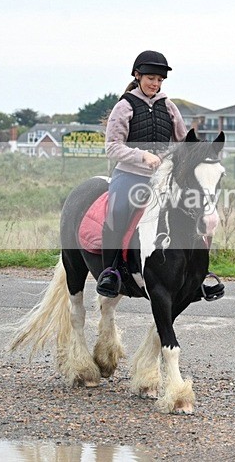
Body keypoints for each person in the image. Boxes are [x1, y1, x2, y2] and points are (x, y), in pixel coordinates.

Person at [96, 50, 188, 298]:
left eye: (159, 80)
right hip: (130, 175)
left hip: (162, 178)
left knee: (193, 209)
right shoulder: (124, 106)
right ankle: (110, 272)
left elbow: (182, 142)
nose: (155, 84)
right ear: (137, 75)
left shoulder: (169, 106)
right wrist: (142, 156)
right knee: (117, 212)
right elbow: (112, 146)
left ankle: (199, 271)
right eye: (150, 78)